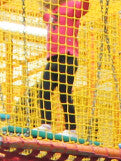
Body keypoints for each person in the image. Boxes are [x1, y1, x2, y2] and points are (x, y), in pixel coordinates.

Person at [35, 0, 91, 137]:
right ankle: (46, 124)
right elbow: (42, 8)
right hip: (52, 58)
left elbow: (84, 5)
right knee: (43, 90)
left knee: (64, 92)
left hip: (67, 56)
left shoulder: (71, 6)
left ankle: (71, 129)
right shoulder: (51, 15)